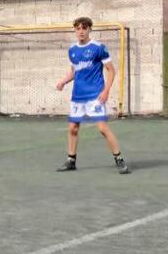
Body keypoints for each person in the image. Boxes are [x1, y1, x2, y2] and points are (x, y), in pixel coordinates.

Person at [55, 16, 130, 174]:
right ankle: (71, 161)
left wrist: (106, 90)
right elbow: (74, 71)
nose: (81, 31)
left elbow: (111, 70)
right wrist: (63, 81)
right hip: (78, 96)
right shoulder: (72, 50)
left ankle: (119, 159)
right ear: (75, 30)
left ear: (90, 29)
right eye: (78, 28)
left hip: (95, 95)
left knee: (102, 128)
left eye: (84, 28)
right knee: (73, 128)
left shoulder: (98, 48)